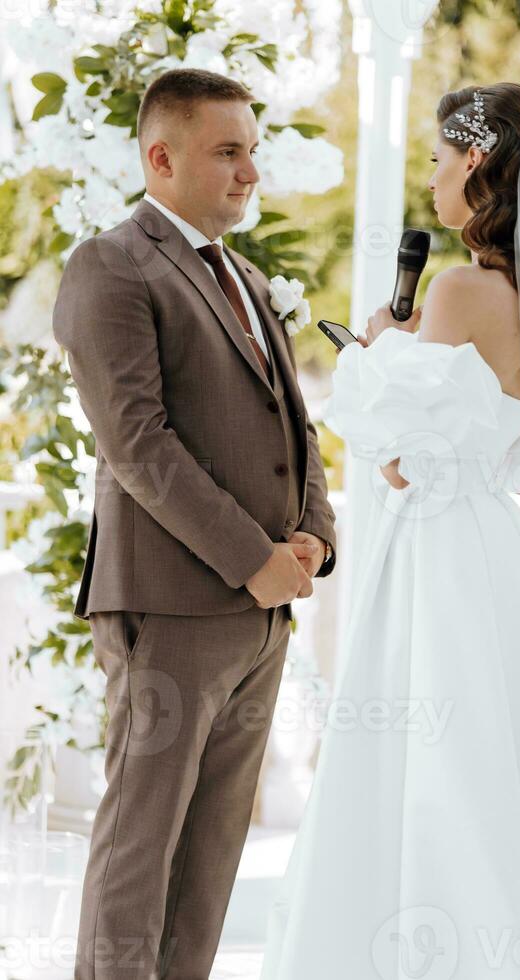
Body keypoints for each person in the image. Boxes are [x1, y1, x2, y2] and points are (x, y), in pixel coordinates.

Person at [261, 84, 520, 980]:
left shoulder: (459, 290)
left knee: (429, 752)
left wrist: (371, 353)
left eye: (438, 161)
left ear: (476, 163)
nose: (432, 180)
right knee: (495, 749)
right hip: (494, 546)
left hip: (438, 545)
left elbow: (406, 462)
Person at [52, 68, 337, 980]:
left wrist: (314, 536)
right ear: (161, 157)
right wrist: (252, 557)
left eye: (252, 151)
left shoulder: (249, 277)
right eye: (228, 152)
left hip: (262, 618)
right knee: (142, 844)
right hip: (169, 609)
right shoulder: (112, 265)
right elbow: (137, 441)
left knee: (211, 858)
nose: (251, 172)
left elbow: (295, 426)